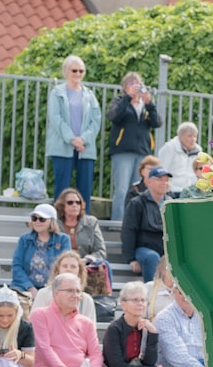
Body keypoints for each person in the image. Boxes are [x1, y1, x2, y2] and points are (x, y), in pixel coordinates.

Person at [45, 55, 102, 213]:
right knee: (62, 188)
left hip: (85, 148)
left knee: (85, 189)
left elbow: (96, 120)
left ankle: (84, 225)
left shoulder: (89, 95)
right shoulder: (57, 93)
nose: (78, 74)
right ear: (66, 71)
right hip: (62, 147)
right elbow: (56, 118)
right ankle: (58, 223)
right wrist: (72, 139)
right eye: (74, 70)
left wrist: (83, 139)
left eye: (81, 71)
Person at [106, 71, 161, 223]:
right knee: (122, 189)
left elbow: (157, 123)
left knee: (141, 189)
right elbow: (114, 116)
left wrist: (150, 104)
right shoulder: (119, 101)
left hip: (142, 152)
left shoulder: (145, 106)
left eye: (138, 84)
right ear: (124, 88)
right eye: (131, 84)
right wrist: (127, 98)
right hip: (123, 151)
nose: (136, 87)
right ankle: (117, 221)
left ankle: (138, 221)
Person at [122, 165, 176, 282]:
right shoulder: (137, 203)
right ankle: (152, 293)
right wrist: (130, 259)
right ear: (149, 182)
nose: (164, 183)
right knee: (152, 257)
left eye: (166, 180)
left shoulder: (172, 204)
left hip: (166, 249)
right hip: (145, 249)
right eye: (159, 179)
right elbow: (129, 230)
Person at [55, 187, 111, 294]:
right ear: (62, 206)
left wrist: (87, 259)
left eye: (78, 202)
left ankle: (105, 299)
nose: (75, 205)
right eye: (70, 202)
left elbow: (101, 251)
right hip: (63, 264)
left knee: (105, 264)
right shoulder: (55, 224)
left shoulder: (91, 222)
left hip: (86, 265)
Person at [10, 203, 71, 299]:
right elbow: (17, 266)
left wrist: (48, 291)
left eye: (42, 219)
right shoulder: (24, 239)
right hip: (24, 288)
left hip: (53, 288)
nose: (37, 222)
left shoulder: (63, 240)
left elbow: (65, 267)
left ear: (51, 221)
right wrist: (30, 288)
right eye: (34, 218)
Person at [30, 250, 97, 323]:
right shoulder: (43, 294)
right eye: (64, 266)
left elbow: (90, 330)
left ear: (79, 271)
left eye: (73, 266)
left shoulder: (86, 300)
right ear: (58, 270)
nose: (68, 269)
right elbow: (35, 324)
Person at [157, 122, 202, 194]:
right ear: (180, 136)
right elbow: (162, 170)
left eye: (195, 136)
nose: (193, 139)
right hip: (173, 191)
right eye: (190, 136)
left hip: (192, 192)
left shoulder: (198, 150)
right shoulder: (169, 148)